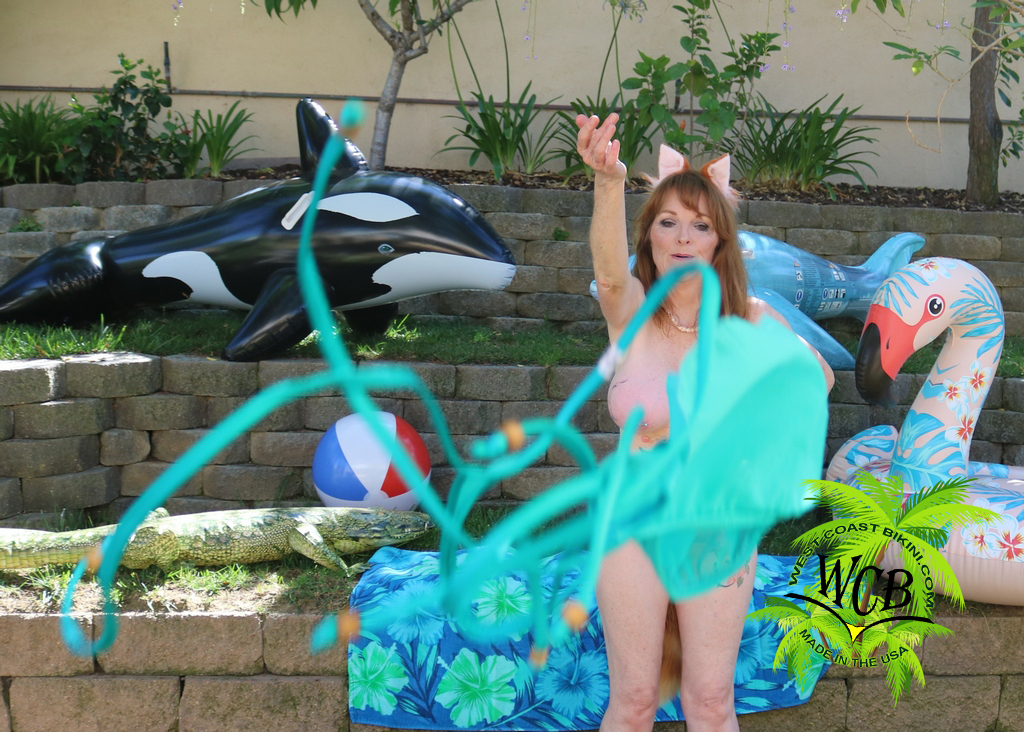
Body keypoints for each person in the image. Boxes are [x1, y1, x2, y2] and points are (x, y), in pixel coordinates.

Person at [575, 113, 834, 732]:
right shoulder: (632, 312)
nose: (682, 238)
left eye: (700, 225)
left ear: (720, 243)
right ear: (650, 236)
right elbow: (608, 274)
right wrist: (608, 180)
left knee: (711, 700)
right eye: (668, 222)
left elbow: (816, 381)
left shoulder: (751, 320)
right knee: (635, 699)